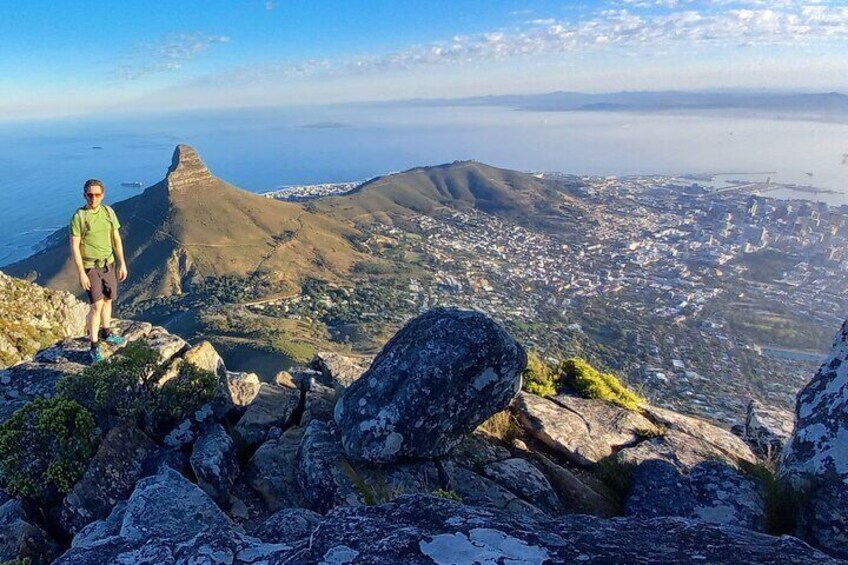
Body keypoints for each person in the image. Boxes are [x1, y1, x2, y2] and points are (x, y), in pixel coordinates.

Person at [70, 179, 129, 363]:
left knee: (108, 299)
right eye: (89, 194)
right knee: (96, 305)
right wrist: (81, 272)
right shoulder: (79, 217)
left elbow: (116, 239)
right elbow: (74, 247)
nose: (93, 198)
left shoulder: (108, 212)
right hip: (91, 267)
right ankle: (94, 346)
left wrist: (122, 263)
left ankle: (107, 332)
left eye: (96, 194)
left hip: (108, 264)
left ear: (102, 195)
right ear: (84, 195)